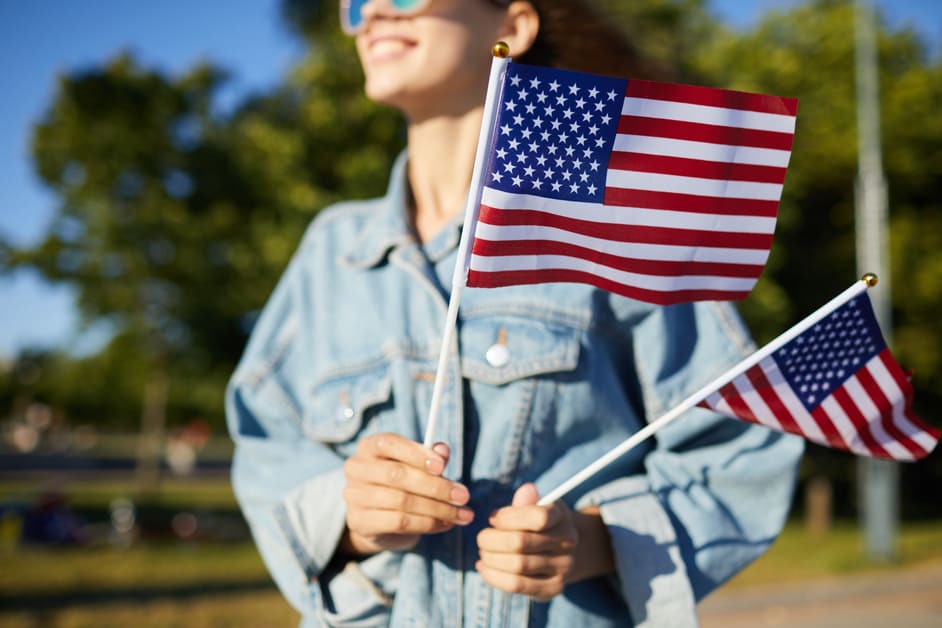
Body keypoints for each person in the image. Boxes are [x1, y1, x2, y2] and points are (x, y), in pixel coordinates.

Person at [225, 1, 804, 626]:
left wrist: (593, 542)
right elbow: (266, 444)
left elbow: (739, 448)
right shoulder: (331, 251)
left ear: (511, 26)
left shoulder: (614, 225)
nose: (374, 13)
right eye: (357, 2)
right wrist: (350, 518)